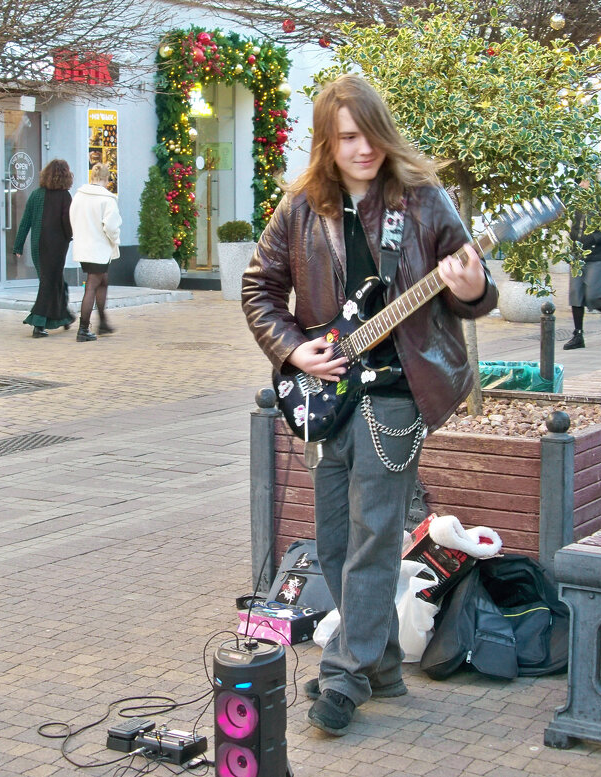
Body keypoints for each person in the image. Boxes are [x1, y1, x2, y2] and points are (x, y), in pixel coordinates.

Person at [242, 74, 497, 737]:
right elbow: (260, 286)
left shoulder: (422, 200)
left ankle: (343, 675)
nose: (362, 150)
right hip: (326, 393)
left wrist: (470, 286)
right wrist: (296, 352)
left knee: (374, 536)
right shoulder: (302, 207)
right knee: (333, 538)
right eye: (347, 138)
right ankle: (381, 661)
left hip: (396, 394)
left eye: (370, 135)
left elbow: (475, 289)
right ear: (327, 141)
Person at [13, 159, 75, 337]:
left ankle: (63, 316)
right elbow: (67, 222)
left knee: (55, 281)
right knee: (49, 283)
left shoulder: (36, 195)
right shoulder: (65, 196)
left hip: (37, 246)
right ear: (65, 175)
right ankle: (38, 323)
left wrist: (18, 245)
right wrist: (71, 237)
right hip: (57, 247)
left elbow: (26, 222)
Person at [563, 183, 601, 349]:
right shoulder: (576, 197)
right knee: (576, 293)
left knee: (594, 296)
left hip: (598, 254)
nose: (582, 182)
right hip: (577, 252)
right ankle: (578, 334)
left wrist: (595, 238)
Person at [70, 163, 122, 341]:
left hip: (84, 246)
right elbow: (111, 226)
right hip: (99, 247)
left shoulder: (79, 195)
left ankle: (103, 322)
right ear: (106, 179)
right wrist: (114, 239)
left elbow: (73, 217)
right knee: (92, 284)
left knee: (102, 281)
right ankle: (83, 329)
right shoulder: (107, 199)